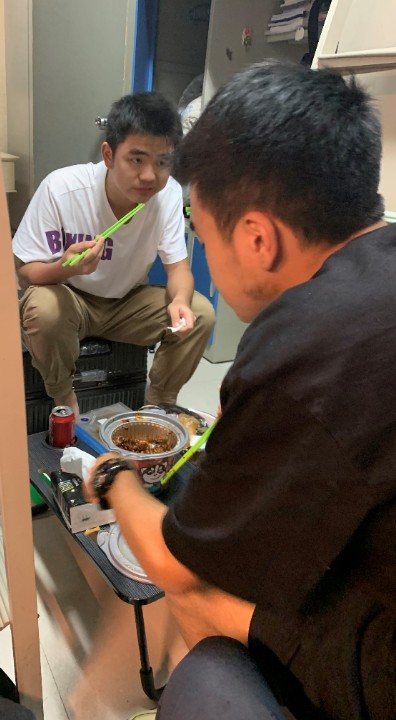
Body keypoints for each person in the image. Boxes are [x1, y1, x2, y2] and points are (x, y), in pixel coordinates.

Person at [85, 61, 396, 719]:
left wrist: (115, 478)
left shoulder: (303, 341)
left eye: (204, 236)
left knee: (199, 594)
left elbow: (175, 562)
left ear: (256, 238)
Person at [13, 91, 215, 416]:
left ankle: (158, 404)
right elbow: (26, 272)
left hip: (127, 303)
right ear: (108, 155)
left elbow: (178, 269)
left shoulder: (167, 196)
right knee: (43, 308)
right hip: (71, 298)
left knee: (200, 312)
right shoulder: (62, 189)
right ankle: (64, 399)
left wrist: (179, 300)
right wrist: (66, 268)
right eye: (136, 160)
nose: (149, 175)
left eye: (163, 162)